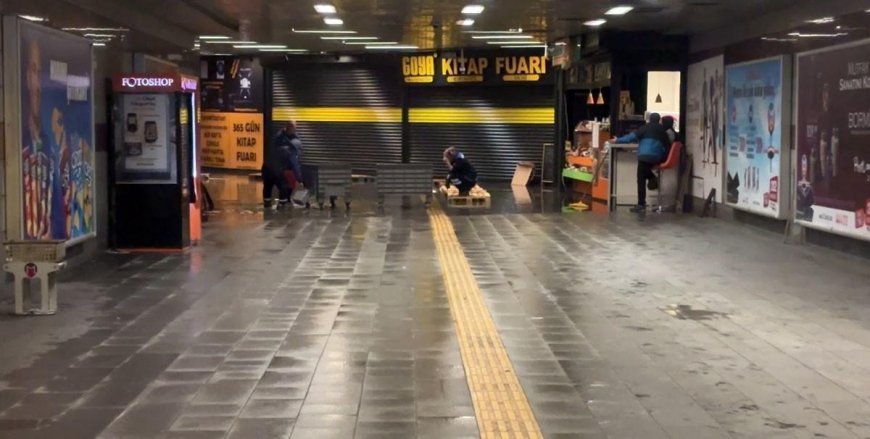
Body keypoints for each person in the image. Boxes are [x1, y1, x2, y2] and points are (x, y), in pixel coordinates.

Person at [613, 113, 670, 213]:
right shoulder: (663, 131)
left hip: (644, 157)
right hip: (658, 157)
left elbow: (631, 137)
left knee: (641, 179)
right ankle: (653, 178)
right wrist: (662, 157)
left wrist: (618, 140)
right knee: (646, 169)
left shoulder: (645, 128)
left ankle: (641, 204)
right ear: (659, 120)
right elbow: (667, 146)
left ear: (649, 120)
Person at [261, 122, 300, 207]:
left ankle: (267, 203)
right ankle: (282, 204)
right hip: (277, 170)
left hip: (266, 167)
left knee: (267, 186)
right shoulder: (290, 151)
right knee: (283, 186)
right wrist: (299, 179)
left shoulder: (279, 145)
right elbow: (294, 165)